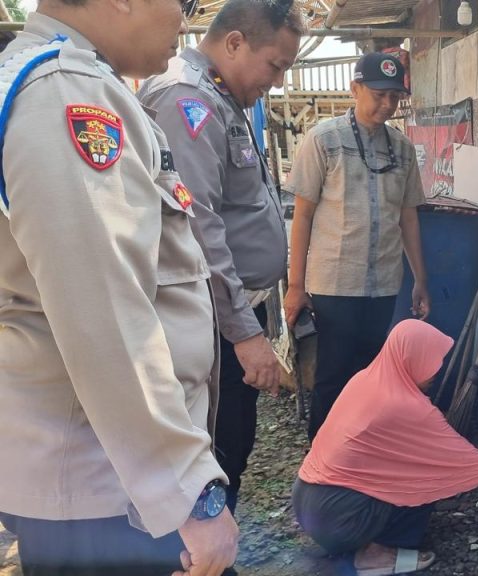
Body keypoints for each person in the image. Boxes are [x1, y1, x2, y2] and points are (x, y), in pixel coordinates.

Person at [0, 1, 239, 575]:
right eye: (179, 3)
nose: (184, 19)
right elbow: (105, 316)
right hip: (110, 494)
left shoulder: (65, 78)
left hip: (110, 478)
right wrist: (189, 492)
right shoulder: (65, 94)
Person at [137, 0, 304, 515]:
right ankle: (205, 554)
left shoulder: (218, 95)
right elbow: (198, 227)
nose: (275, 82)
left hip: (227, 313)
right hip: (210, 320)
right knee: (216, 445)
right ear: (234, 43)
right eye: (274, 65)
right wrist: (245, 334)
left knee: (231, 441)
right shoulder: (187, 98)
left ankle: (214, 548)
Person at [292, 319, 478, 576]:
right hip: (339, 520)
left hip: (308, 503)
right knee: (425, 478)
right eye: (430, 360)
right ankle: (373, 554)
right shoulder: (406, 407)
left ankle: (361, 538)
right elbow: (469, 460)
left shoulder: (365, 379)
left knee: (409, 469)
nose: (437, 369)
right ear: (409, 357)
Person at [283, 52, 431, 440]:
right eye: (379, 94)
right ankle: (320, 461)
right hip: (334, 282)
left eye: (395, 98)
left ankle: (361, 454)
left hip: (384, 282)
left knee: (371, 375)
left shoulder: (402, 149)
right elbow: (303, 216)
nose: (387, 104)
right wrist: (296, 286)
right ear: (355, 88)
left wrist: (420, 280)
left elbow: (409, 217)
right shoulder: (323, 140)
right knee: (332, 375)